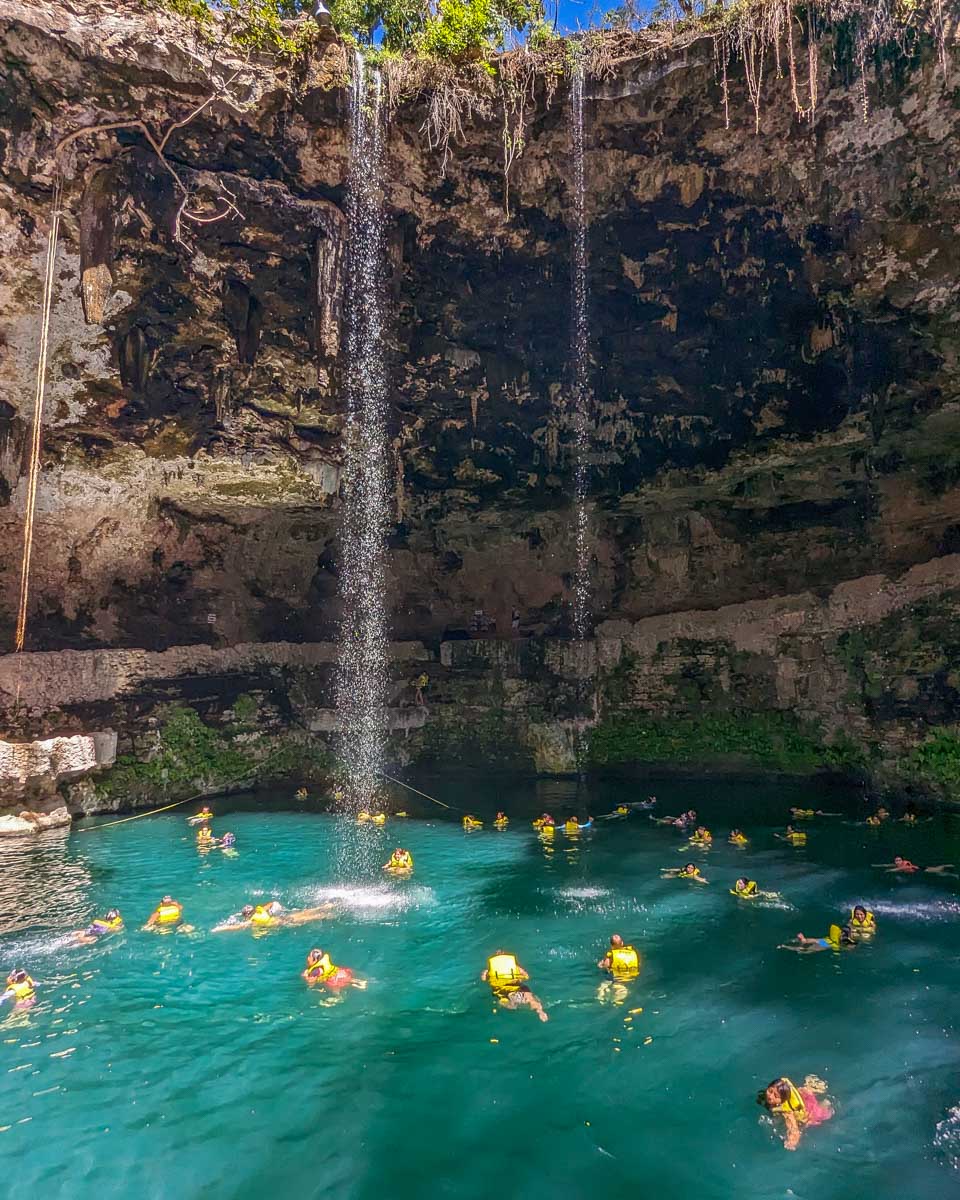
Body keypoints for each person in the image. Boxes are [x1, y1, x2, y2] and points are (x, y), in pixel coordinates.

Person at [758, 1076, 833, 1150]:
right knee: (805, 1092)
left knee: (821, 1114)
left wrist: (792, 1142)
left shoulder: (787, 1111)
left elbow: (793, 1128)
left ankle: (826, 1102)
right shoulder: (775, 1097)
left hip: (808, 1109)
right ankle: (813, 1087)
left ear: (782, 1100)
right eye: (770, 1091)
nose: (771, 1096)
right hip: (801, 1095)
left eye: (776, 1096)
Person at [481, 951, 547, 1021]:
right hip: (516, 990)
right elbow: (527, 977)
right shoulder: (517, 968)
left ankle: (512, 1004)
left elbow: (483, 979)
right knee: (530, 998)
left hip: (501, 993)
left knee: (506, 1003)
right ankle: (540, 1011)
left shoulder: (488, 971)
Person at [779, 924, 855, 952]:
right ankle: (785, 946)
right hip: (825, 945)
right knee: (804, 950)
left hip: (827, 944)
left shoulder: (846, 939)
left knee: (805, 948)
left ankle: (802, 941)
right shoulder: (829, 943)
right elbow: (816, 941)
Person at [875, 856, 956, 876]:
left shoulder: (905, 865)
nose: (897, 862)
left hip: (920, 869)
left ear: (902, 860)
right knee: (936, 869)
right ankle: (947, 866)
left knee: (938, 872)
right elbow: (887, 865)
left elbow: (896, 869)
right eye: (896, 860)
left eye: (899, 860)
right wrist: (876, 866)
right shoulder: (897, 864)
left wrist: (888, 871)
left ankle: (953, 874)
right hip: (919, 867)